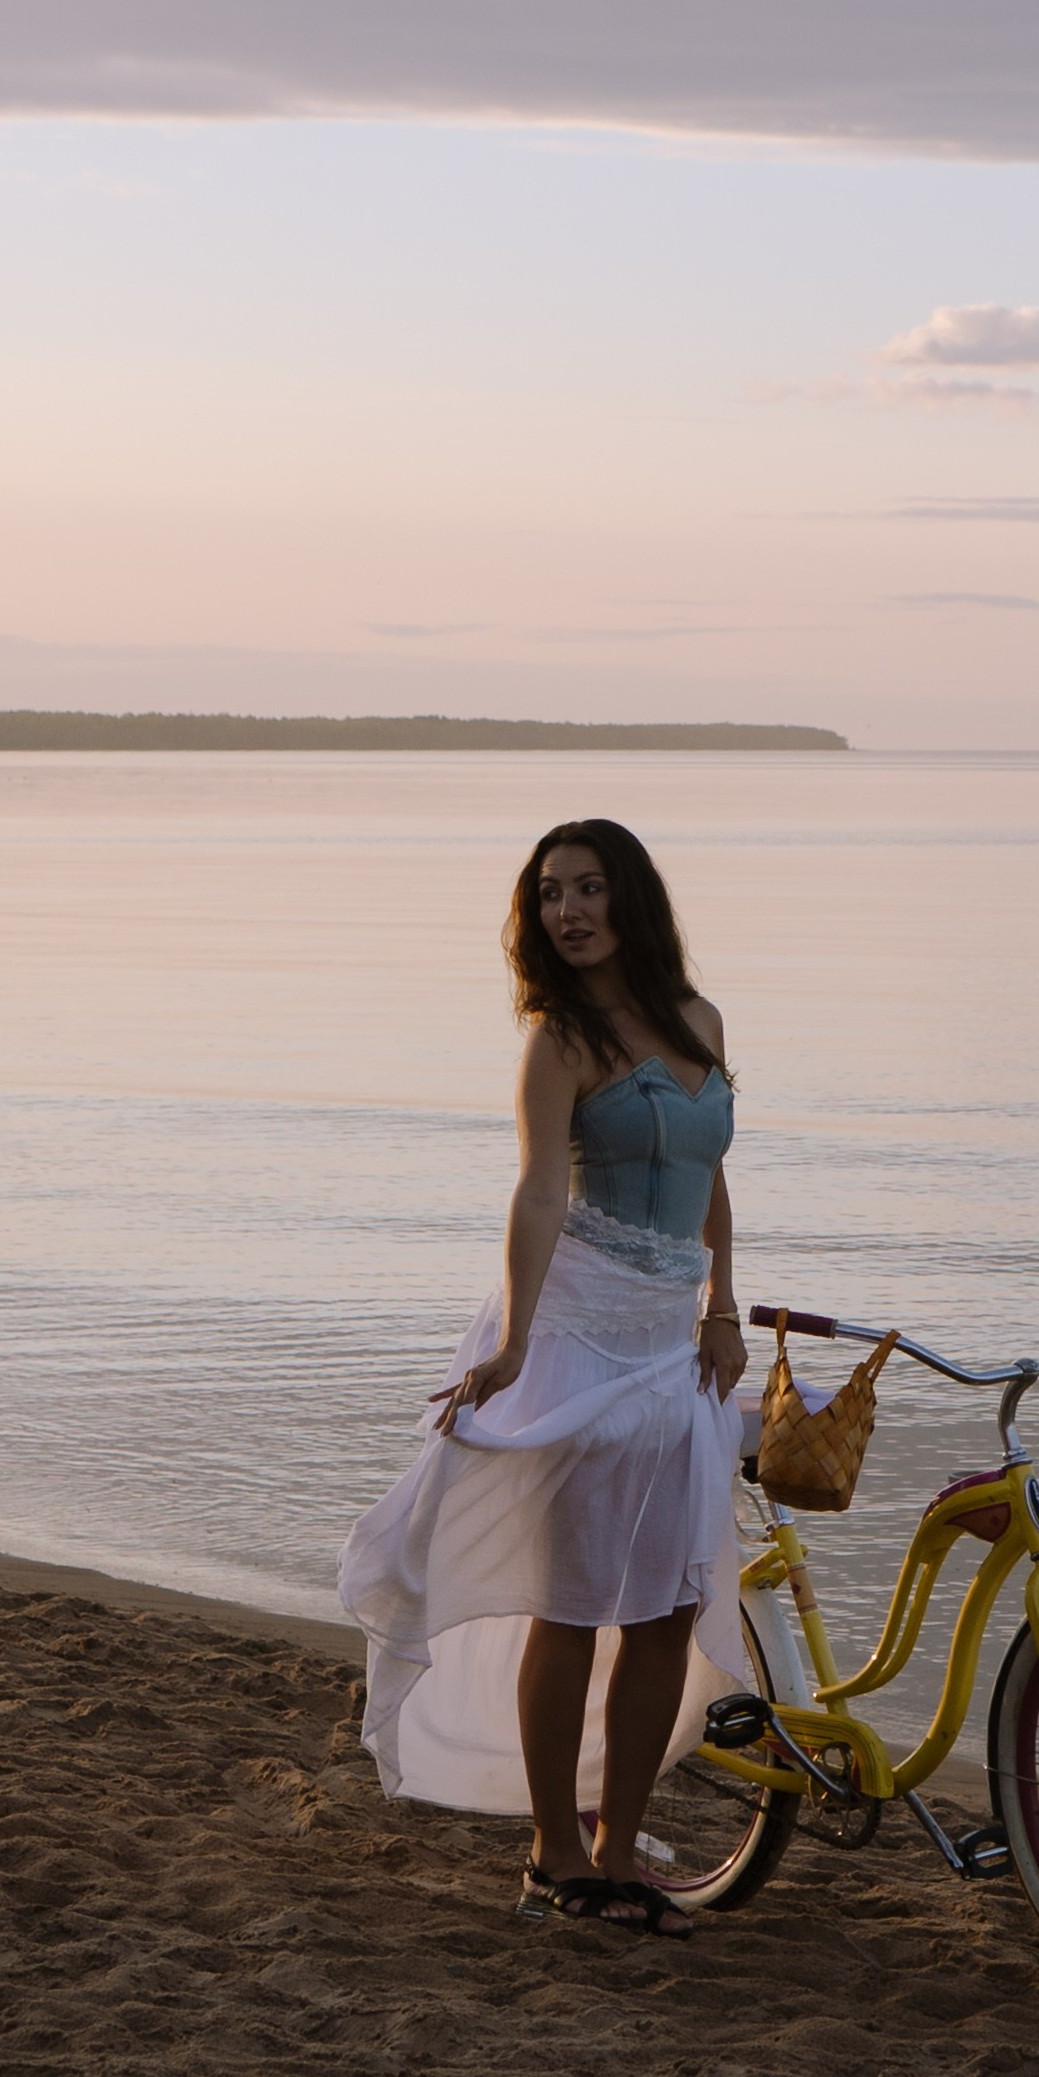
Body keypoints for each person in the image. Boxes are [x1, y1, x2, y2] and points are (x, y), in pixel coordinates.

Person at [338, 819, 749, 1939]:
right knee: (571, 1605)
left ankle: (620, 1850)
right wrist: (515, 1342)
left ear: (632, 900)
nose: (568, 911)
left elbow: (711, 1174)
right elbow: (536, 1193)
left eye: (589, 888)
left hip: (673, 1346)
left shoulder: (701, 1021)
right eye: (552, 893)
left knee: (667, 1607)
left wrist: (723, 1306)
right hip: (577, 1334)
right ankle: (553, 1850)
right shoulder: (558, 1040)